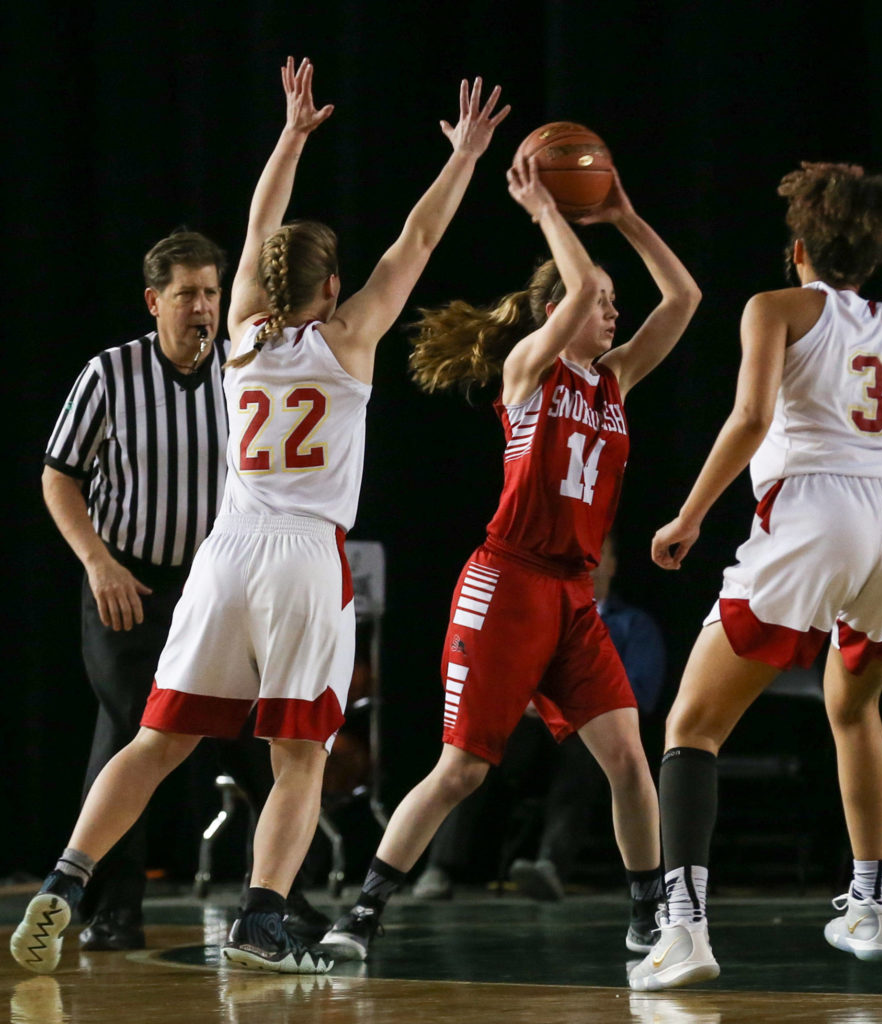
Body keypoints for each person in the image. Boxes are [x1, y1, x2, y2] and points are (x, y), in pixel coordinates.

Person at [11, 56, 509, 977]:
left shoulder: (237, 329)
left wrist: (289, 136)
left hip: (223, 554)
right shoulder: (352, 339)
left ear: (262, 282)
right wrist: (466, 154)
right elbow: (417, 240)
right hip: (302, 561)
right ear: (330, 291)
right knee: (298, 757)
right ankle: (260, 916)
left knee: (157, 739)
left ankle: (64, 882)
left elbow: (256, 225)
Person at [322, 155, 700, 961]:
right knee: (461, 769)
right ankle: (360, 913)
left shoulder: (614, 381)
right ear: (560, 310)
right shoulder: (529, 370)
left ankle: (645, 917)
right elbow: (568, 296)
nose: (613, 313)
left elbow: (685, 300)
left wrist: (626, 217)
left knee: (630, 761)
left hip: (571, 597)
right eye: (600, 303)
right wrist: (548, 216)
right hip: (506, 582)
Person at [629, 162, 882, 992]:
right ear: (869, 258)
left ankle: (684, 930)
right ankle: (873, 907)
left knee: (692, 726)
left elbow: (752, 416)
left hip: (817, 511)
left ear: (798, 246)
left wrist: (689, 516)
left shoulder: (773, 307)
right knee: (855, 710)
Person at [38, 227, 229, 952]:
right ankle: (115, 908)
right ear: (155, 301)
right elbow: (59, 474)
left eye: (211, 292)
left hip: (212, 585)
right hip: (126, 580)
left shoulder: (240, 371)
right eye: (186, 295)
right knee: (130, 730)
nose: (201, 308)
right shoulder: (110, 374)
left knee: (255, 734)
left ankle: (278, 899)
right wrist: (96, 562)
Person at [412, 532, 666, 900]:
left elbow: (640, 694)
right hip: (524, 730)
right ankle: (441, 867)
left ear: (612, 565)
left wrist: (572, 706)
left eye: (598, 554)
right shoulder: (534, 616)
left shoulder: (634, 627)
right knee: (471, 753)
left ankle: (550, 866)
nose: (589, 562)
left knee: (591, 755)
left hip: (584, 737)